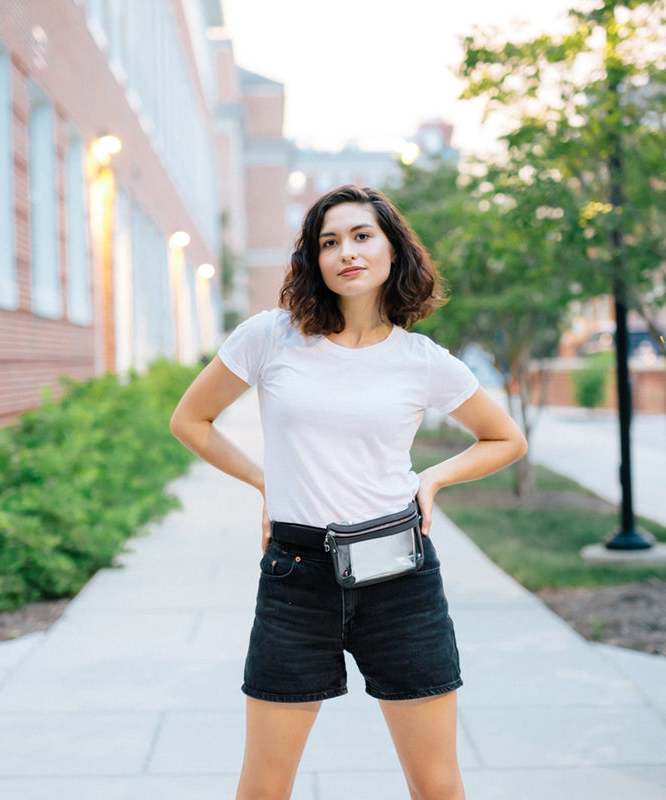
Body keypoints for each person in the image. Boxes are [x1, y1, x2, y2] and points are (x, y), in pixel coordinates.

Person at [170, 185, 527, 800]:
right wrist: (267, 482)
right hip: (296, 577)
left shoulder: (422, 359)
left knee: (437, 784)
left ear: (392, 250)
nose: (347, 252)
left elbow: (505, 439)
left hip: (400, 577)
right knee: (264, 786)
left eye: (362, 236)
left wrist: (432, 477)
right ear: (315, 260)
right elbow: (190, 422)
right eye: (328, 242)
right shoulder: (269, 337)